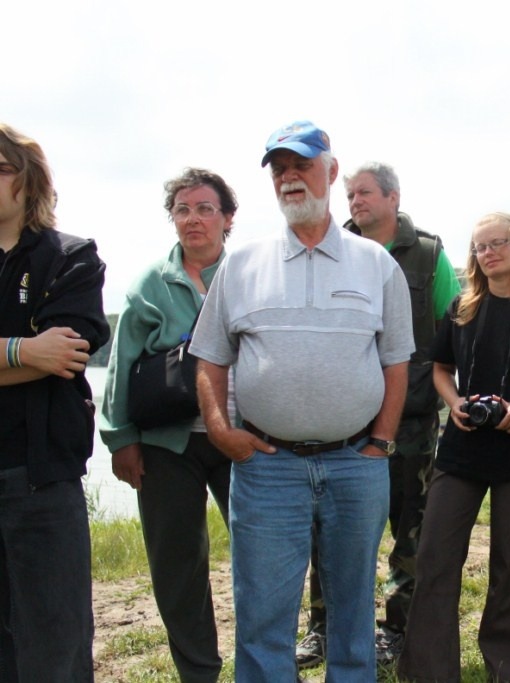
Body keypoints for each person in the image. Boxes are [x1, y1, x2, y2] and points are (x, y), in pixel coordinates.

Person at [189, 120, 413, 682]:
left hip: (355, 463)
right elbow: (210, 358)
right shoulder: (240, 265)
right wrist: (220, 430)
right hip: (267, 468)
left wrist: (382, 441)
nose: (290, 178)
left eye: (302, 165)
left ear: (331, 172)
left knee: (353, 610)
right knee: (263, 615)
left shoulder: (376, 264)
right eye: (280, 169)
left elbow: (396, 361)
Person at [293, 162, 461, 669]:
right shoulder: (331, 249)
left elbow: (453, 333)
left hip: (411, 425)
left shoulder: (430, 255)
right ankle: (323, 627)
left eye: (364, 192)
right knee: (329, 530)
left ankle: (397, 631)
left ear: (393, 197)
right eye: (349, 194)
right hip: (341, 423)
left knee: (409, 532)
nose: (353, 202)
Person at [397, 212, 510, 683]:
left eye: (497, 244)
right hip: (463, 446)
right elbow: (440, 368)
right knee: (434, 560)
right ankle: (429, 673)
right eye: (480, 247)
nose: (488, 253)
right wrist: (456, 402)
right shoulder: (462, 307)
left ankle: (505, 672)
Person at [100, 168, 237, 682]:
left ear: (227, 219)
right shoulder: (149, 286)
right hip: (164, 445)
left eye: (205, 208)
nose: (193, 218)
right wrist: (121, 440)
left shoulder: (249, 273)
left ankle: (266, 665)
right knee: (177, 568)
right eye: (183, 209)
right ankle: (198, 672)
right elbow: (121, 367)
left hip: (240, 441)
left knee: (260, 557)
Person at [0, 123, 109, 681]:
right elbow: (41, 355)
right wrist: (24, 350)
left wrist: (37, 355)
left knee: (57, 644)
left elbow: (66, 354)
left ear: (29, 179)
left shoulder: (72, 258)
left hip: (40, 476)